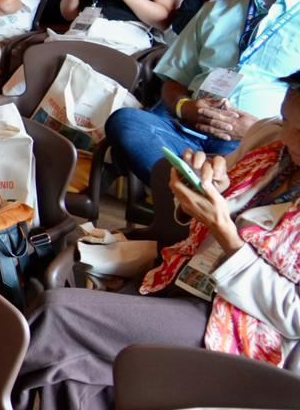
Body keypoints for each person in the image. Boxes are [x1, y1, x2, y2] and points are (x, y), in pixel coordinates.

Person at [16, 71, 300, 410]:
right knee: (71, 374)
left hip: (238, 329)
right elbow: (211, 205)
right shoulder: (272, 142)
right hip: (183, 277)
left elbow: (293, 317)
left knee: (58, 314)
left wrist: (226, 233)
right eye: (285, 119)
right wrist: (204, 184)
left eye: (297, 130)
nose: (285, 135)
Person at [105, 0, 300, 184]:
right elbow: (173, 81)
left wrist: (260, 131)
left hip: (256, 142)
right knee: (126, 121)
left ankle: (186, 201)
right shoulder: (216, 11)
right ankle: (198, 202)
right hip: (187, 132)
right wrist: (186, 108)